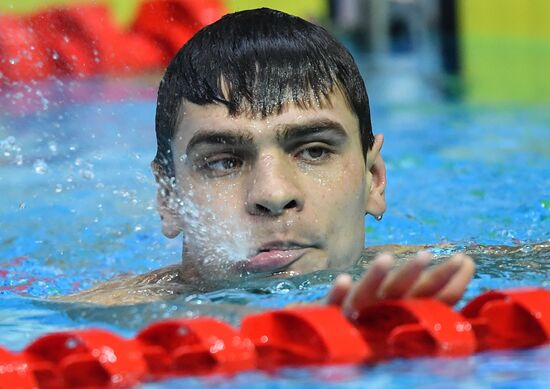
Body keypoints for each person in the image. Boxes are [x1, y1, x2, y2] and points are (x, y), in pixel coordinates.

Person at [63, 8, 474, 316]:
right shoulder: (99, 319)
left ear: (375, 179)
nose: (273, 195)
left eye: (314, 151)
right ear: (169, 199)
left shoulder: (462, 272)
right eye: (223, 161)